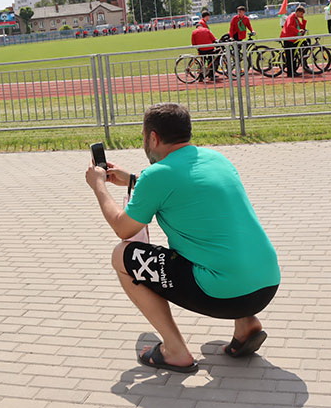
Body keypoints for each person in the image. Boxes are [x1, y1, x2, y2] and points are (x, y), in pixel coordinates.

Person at [84, 103, 280, 373]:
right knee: (222, 244)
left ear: (153, 137)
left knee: (122, 256)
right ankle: (246, 325)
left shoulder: (157, 176)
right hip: (266, 285)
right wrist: (132, 180)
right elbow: (185, 187)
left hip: (223, 295)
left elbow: (123, 228)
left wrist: (99, 186)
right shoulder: (217, 159)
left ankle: (174, 350)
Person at [280, 6, 307, 77]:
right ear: (297, 12)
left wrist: (303, 20)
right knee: (290, 57)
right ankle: (290, 73)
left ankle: (294, 71)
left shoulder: (296, 18)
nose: (302, 15)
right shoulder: (291, 17)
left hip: (293, 39)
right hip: (288, 39)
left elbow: (302, 27)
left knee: (294, 56)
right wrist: (298, 31)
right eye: (301, 14)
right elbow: (289, 26)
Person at [190, 14, 219, 81]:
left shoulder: (194, 32)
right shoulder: (206, 30)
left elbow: (193, 43)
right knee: (212, 60)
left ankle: (201, 76)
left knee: (202, 63)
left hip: (201, 50)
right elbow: (213, 39)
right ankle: (211, 75)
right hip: (209, 49)